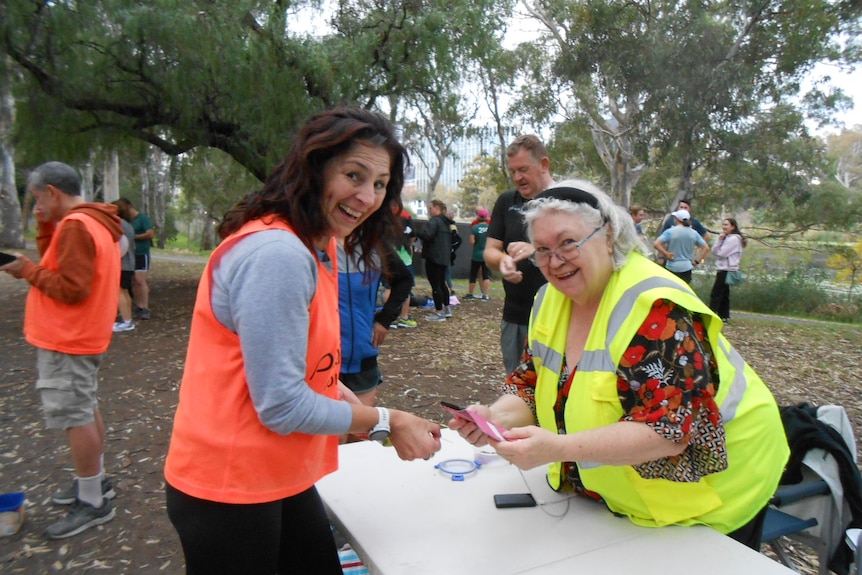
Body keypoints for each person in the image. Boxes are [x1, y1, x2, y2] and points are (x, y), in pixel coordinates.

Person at [163, 108, 441, 575]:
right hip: (230, 486)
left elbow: (307, 363)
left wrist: (345, 398)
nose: (366, 196)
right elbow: (282, 405)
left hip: (280, 473)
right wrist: (386, 421)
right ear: (314, 169)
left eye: (379, 183)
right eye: (354, 175)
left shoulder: (321, 243)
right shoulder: (278, 254)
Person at [449, 181, 788, 549]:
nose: (555, 261)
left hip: (716, 492)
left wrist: (558, 449)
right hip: (618, 498)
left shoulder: (655, 307)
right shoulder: (549, 299)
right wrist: (497, 419)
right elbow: (530, 385)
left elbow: (668, 429)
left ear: (608, 235)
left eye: (567, 243)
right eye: (542, 250)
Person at [0, 161, 122, 539]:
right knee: (85, 408)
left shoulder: (75, 225)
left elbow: (71, 287)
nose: (37, 204)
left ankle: (93, 502)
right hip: (85, 333)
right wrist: (43, 227)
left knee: (76, 415)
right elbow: (62, 261)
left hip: (68, 337)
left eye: (38, 197)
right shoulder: (97, 221)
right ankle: (96, 482)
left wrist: (25, 271)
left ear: (52, 191)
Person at [484, 135, 554, 374]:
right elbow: (490, 250)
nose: (517, 178)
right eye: (513, 171)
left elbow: (583, 250)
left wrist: (538, 249)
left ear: (544, 165)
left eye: (523, 169)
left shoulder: (566, 200)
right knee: (516, 383)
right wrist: (503, 260)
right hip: (515, 313)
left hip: (557, 315)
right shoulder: (507, 202)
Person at [338, 239, 413, 406]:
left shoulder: (374, 244)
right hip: (322, 359)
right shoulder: (313, 245)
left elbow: (404, 279)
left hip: (363, 353)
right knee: (333, 431)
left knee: (360, 430)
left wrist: (384, 320)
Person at [115, 198, 154, 320]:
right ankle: (138, 305)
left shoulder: (143, 219)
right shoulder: (126, 221)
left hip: (142, 253)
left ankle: (145, 307)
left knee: (140, 280)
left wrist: (133, 237)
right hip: (131, 254)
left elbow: (150, 234)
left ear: (129, 206)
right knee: (132, 282)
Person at [417, 198, 454, 321]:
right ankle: (447, 308)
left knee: (435, 285)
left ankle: (439, 312)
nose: (429, 210)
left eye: (430, 208)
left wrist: (416, 232)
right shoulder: (447, 223)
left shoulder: (434, 221)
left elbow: (428, 235)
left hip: (433, 257)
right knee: (442, 283)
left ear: (436, 208)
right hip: (444, 258)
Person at [654, 208, 710, 285]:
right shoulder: (694, 233)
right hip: (687, 267)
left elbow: (656, 244)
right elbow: (706, 248)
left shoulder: (670, 231)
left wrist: (666, 254)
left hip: (671, 266)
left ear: (677, 219)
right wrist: (697, 261)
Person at [709, 218, 747, 323]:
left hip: (726, 269)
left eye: (726, 225)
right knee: (724, 294)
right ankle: (724, 316)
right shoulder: (727, 238)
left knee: (716, 293)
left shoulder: (734, 239)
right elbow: (714, 250)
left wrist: (721, 242)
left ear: (733, 227)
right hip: (723, 268)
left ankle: (712, 314)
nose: (724, 227)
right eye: (723, 224)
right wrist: (720, 239)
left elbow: (721, 253)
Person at [112, 206, 137, 332]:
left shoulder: (119, 224)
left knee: (120, 291)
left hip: (123, 263)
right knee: (125, 292)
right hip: (129, 263)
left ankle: (126, 321)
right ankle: (127, 320)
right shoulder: (128, 225)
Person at [465, 208, 491, 300]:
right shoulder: (490, 228)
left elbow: (472, 242)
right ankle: (485, 295)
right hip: (486, 254)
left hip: (476, 255)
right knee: (486, 275)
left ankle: (470, 294)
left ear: (478, 217)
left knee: (473, 274)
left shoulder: (475, 228)